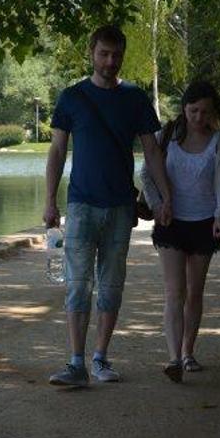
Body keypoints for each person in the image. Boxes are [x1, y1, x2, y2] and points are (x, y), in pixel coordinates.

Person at [44, 25, 172, 386]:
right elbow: (56, 151)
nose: (110, 61)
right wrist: (50, 201)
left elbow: (152, 151)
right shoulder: (71, 97)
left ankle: (100, 358)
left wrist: (164, 198)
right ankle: (75, 363)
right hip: (82, 203)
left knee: (112, 284)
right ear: (92, 53)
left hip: (120, 207)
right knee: (77, 284)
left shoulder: (135, 99)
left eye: (116, 55)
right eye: (104, 54)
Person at [141, 80, 220, 383]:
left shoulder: (218, 142)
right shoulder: (166, 136)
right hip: (170, 223)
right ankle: (173, 358)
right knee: (173, 291)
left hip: (204, 223)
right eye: (193, 110)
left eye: (205, 112)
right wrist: (156, 206)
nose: (198, 117)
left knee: (194, 292)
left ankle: (188, 352)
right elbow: (147, 173)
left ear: (213, 113)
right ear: (184, 109)